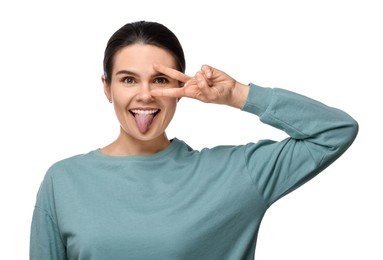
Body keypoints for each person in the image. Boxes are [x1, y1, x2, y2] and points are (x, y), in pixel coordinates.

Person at [30, 21, 358, 260]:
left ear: (182, 90)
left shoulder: (236, 174)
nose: (145, 94)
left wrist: (239, 95)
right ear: (107, 87)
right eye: (128, 79)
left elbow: (334, 132)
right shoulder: (64, 181)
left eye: (160, 80)